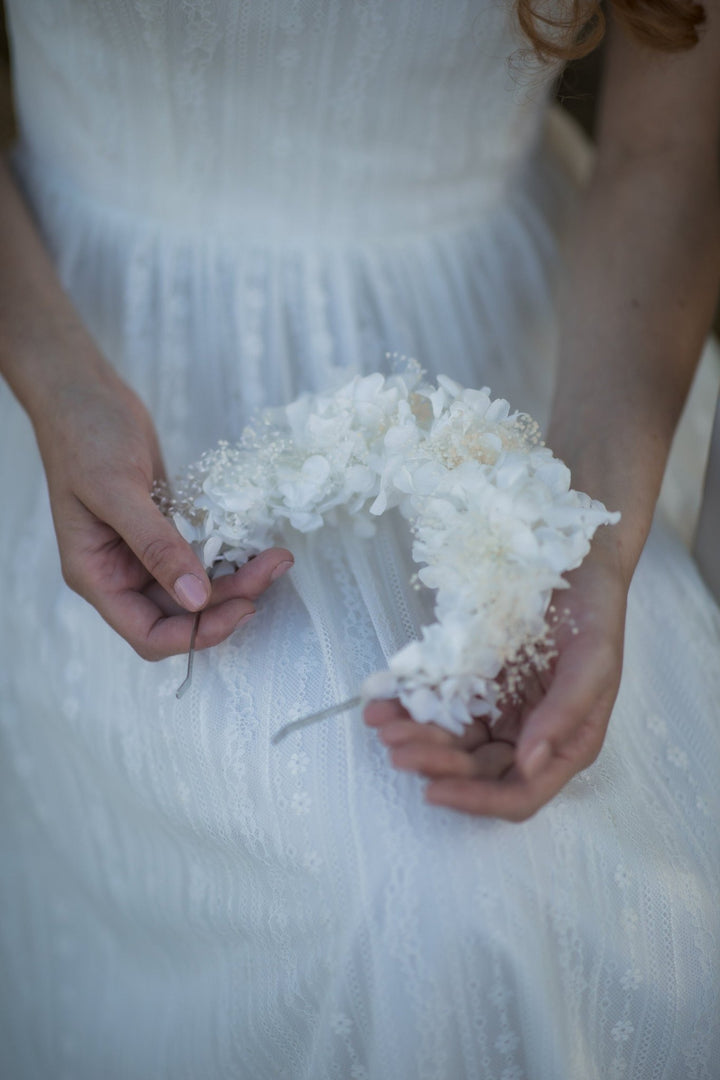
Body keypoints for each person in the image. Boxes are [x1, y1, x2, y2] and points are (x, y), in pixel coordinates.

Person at [0, 1, 718, 1077]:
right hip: (73, 331)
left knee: (524, 884)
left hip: (561, 347)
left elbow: (674, 137)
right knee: (356, 892)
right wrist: (56, 384)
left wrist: (581, 538)